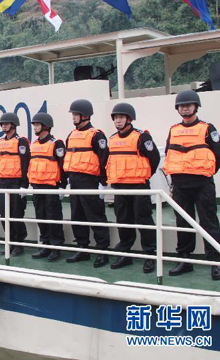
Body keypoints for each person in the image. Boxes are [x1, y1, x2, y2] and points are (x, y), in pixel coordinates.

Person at [163, 90, 220, 280]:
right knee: (183, 223)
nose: (185, 108)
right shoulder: (173, 129)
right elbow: (169, 152)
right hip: (180, 185)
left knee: (209, 223)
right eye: (182, 106)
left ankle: (215, 261)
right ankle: (184, 260)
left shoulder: (207, 128)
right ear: (178, 109)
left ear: (196, 107)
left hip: (202, 185)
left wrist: (206, 172)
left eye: (189, 105)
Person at [106, 103, 160, 273]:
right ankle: (125, 254)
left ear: (129, 119)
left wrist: (142, 176)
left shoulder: (141, 137)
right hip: (120, 188)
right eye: (116, 117)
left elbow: (154, 158)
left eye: (121, 117)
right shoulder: (113, 139)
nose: (118, 120)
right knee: (123, 221)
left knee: (143, 220)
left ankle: (150, 256)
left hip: (138, 187)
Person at [63, 99, 110, 268]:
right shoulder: (71, 135)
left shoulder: (97, 135)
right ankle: (82, 248)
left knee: (95, 216)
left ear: (85, 115)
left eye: (76, 114)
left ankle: (102, 251)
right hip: (75, 182)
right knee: (77, 216)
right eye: (73, 114)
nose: (73, 117)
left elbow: (104, 159)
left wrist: (103, 183)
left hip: (90, 182)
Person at [28, 112, 66, 262]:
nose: (35, 127)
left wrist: (62, 186)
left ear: (46, 126)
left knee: (53, 216)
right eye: (35, 125)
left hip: (51, 186)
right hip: (37, 186)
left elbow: (62, 165)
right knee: (41, 215)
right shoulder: (35, 144)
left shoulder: (57, 143)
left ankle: (56, 247)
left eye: (37, 125)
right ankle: (45, 245)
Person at [0, 112, 30, 257]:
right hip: (2, 183)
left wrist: (24, 185)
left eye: (6, 123)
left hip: (15, 183)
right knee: (4, 215)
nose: (4, 126)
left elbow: (25, 162)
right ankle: (9, 242)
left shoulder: (21, 141)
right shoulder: (0, 141)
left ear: (13, 125)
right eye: (2, 124)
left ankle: (18, 243)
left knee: (15, 214)